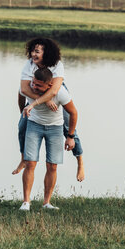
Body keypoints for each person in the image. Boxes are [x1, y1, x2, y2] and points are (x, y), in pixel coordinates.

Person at [12, 37, 85, 183]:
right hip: (35, 92)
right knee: (22, 126)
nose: (33, 54)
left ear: (47, 53)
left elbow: (54, 90)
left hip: (56, 94)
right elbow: (24, 89)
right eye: (32, 51)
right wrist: (29, 109)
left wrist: (42, 101)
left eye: (37, 51)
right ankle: (23, 159)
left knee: (68, 127)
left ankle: (80, 161)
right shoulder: (29, 65)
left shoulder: (57, 65)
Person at [19, 67, 78, 211]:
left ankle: (47, 203)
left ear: (50, 85)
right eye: (33, 83)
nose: (34, 86)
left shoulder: (61, 93)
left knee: (52, 166)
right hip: (34, 126)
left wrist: (70, 136)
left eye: (39, 85)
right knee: (30, 163)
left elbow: (74, 113)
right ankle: (26, 202)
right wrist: (23, 113)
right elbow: (20, 95)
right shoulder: (29, 89)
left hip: (55, 128)